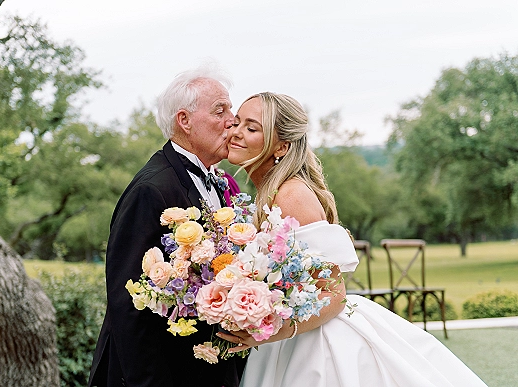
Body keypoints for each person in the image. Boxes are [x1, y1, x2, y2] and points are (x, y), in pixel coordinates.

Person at [216, 92, 488, 387]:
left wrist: (272, 332)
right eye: (238, 122)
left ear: (281, 145)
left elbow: (333, 294)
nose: (236, 133)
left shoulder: (291, 196)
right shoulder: (268, 194)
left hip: (316, 347)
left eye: (251, 128)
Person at [88, 65, 247, 387]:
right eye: (221, 110)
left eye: (231, 109)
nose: (233, 120)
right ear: (184, 120)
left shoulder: (218, 182)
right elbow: (129, 304)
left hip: (207, 367)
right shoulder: (152, 189)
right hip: (161, 372)